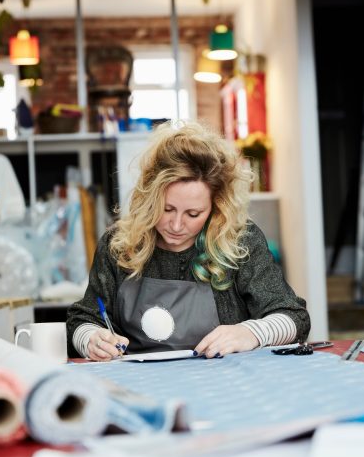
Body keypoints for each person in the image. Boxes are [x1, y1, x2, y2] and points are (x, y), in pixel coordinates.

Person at [66, 121, 310, 361]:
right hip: (140, 386)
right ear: (150, 198)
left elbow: (294, 317)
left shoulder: (239, 240)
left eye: (193, 214)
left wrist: (251, 333)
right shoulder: (118, 244)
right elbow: (82, 320)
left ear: (217, 207)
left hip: (226, 386)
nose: (176, 225)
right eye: (167, 208)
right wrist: (91, 338)